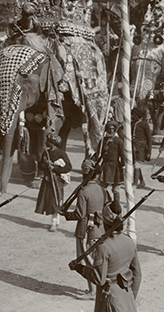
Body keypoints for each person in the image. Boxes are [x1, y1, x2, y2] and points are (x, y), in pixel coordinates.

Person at [74, 160, 105, 297]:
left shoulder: (84, 191)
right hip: (100, 227)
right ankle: (94, 289)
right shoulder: (101, 189)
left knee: (87, 259)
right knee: (95, 258)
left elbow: (80, 214)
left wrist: (67, 214)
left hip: (86, 229)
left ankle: (93, 290)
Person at [36, 133, 72, 231]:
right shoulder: (45, 153)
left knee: (55, 201)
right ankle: (56, 220)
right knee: (48, 200)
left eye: (47, 141)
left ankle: (54, 222)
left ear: (52, 143)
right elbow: (40, 165)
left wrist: (55, 168)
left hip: (57, 181)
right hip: (47, 180)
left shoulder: (61, 153)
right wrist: (46, 166)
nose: (45, 142)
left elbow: (68, 167)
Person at [100, 122, 124, 194]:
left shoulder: (119, 141)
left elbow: (122, 154)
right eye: (109, 129)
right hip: (106, 165)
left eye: (113, 129)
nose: (111, 131)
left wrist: (124, 164)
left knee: (116, 188)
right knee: (102, 187)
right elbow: (98, 152)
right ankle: (104, 202)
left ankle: (116, 204)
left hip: (116, 166)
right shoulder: (102, 141)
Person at [132, 106, 153, 188]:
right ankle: (142, 181)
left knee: (137, 164)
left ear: (138, 116)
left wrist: (149, 152)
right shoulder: (133, 124)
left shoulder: (145, 125)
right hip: (133, 146)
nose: (133, 116)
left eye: (134, 115)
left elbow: (149, 139)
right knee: (135, 164)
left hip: (141, 147)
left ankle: (135, 183)